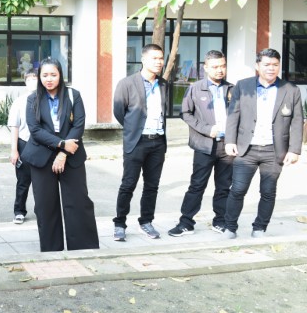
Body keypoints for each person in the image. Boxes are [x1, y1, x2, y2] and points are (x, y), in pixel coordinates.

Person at [20, 58, 99, 251]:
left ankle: (83, 248)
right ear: (39, 77)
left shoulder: (73, 95)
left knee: (78, 202)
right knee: (45, 205)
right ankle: (51, 250)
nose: (49, 79)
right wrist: (61, 143)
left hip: (71, 155)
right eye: (45, 75)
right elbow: (35, 130)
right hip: (42, 156)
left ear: (60, 75)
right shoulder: (33, 99)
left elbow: (78, 125)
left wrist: (63, 152)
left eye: (53, 75)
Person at [223, 48, 303, 239]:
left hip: (274, 151)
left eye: (275, 65)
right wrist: (230, 140)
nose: (271, 68)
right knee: (238, 190)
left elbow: (297, 120)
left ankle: (259, 228)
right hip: (246, 149)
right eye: (266, 64)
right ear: (257, 66)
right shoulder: (243, 86)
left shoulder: (291, 90)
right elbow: (233, 115)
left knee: (268, 192)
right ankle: (230, 227)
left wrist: (294, 150)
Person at [168, 51, 234, 237]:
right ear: (205, 68)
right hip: (204, 145)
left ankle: (220, 221)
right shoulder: (195, 88)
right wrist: (206, 129)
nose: (220, 70)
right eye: (215, 67)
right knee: (197, 185)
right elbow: (185, 113)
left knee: (224, 186)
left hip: (227, 147)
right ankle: (186, 223)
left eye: (223, 66)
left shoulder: (232, 89)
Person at [112, 43, 168, 242]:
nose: (159, 62)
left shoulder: (163, 84)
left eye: (161, 58)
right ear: (144, 59)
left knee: (152, 186)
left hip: (158, 142)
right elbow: (119, 112)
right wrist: (134, 128)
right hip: (136, 142)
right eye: (154, 58)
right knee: (128, 184)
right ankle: (120, 223)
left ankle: (146, 221)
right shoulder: (127, 83)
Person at [7, 69, 38, 224]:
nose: (32, 82)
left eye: (35, 78)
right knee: (23, 181)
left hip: (43, 145)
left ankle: (42, 210)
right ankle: (19, 211)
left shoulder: (46, 99)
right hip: (24, 143)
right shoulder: (20, 101)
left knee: (42, 182)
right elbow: (15, 126)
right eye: (29, 79)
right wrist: (14, 150)